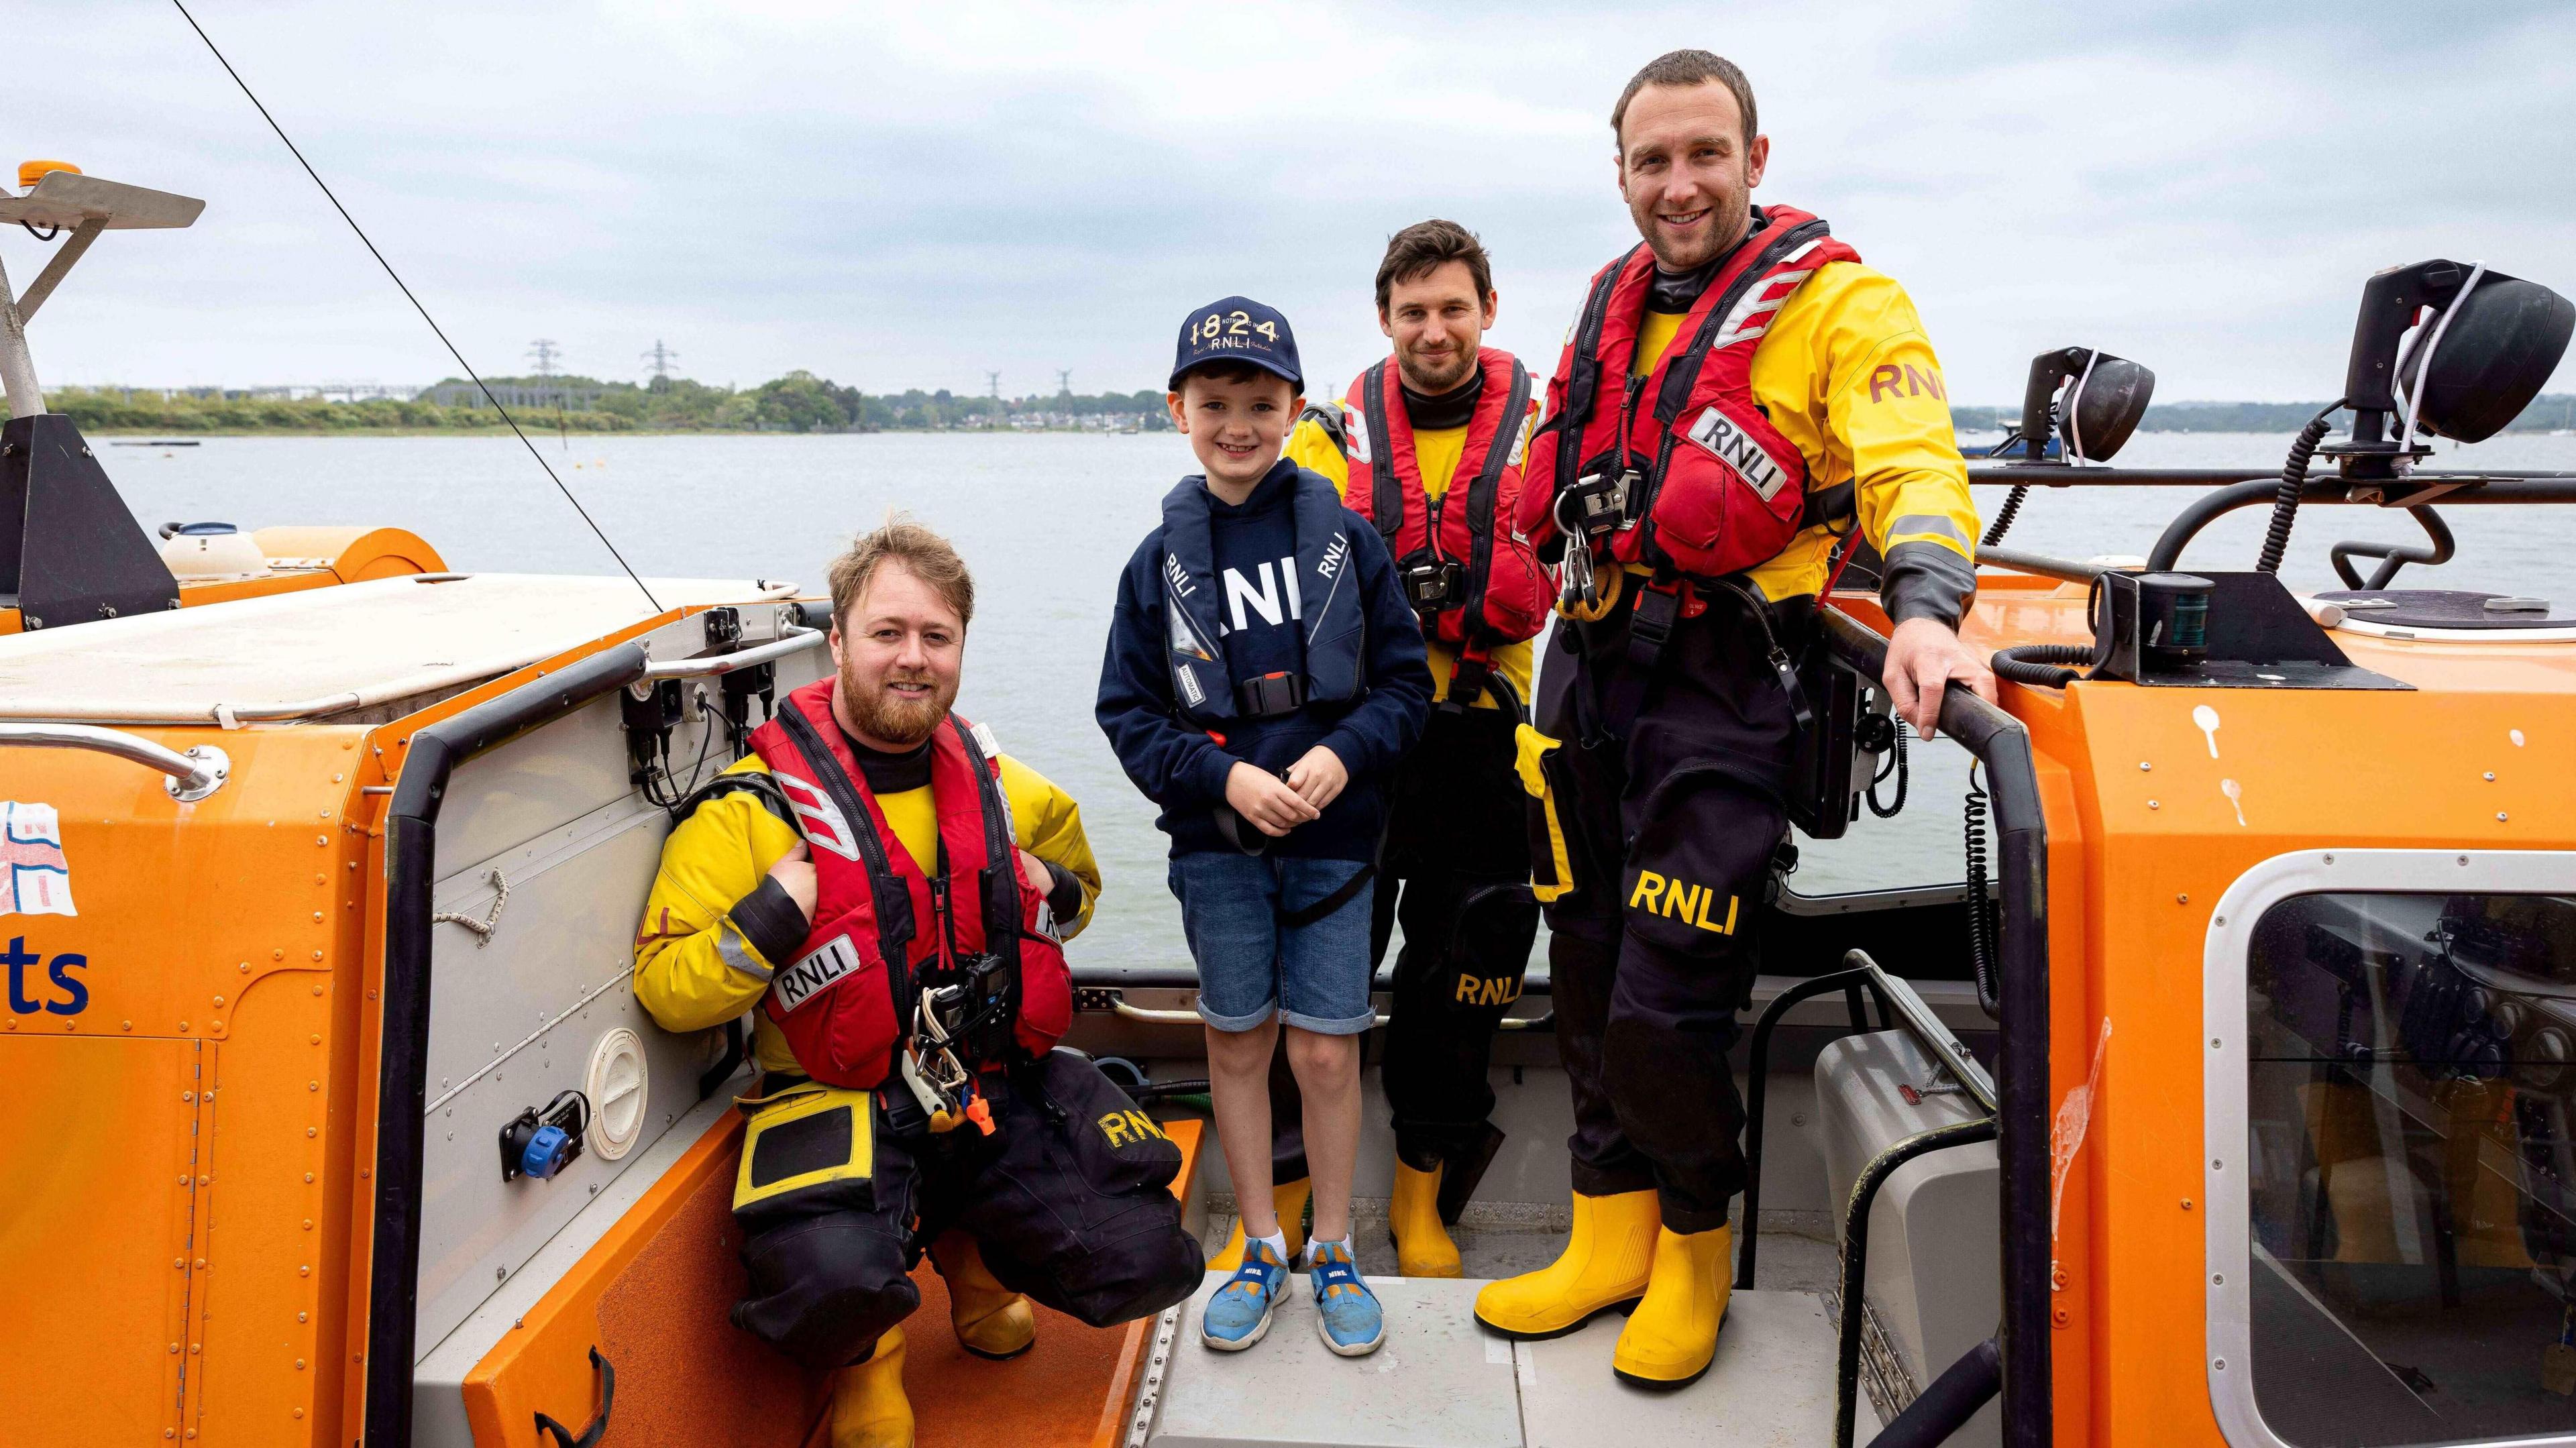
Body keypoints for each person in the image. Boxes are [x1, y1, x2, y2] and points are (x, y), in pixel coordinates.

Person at [1473, 50, 1994, 1390]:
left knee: (1667, 1001)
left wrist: (1929, 607)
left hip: (1728, 688)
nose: (1680, 182)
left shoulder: (1841, 306)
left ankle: (1695, 1247)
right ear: (1623, 176)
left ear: (1756, 161)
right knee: (1582, 975)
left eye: (1706, 154)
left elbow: (1918, 465)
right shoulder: (1610, 306)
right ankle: (1607, 1235)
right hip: (1586, 676)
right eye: (1654, 161)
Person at [633, 518, 1202, 1448]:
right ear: (839, 644)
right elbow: (665, 987)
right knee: (831, 1284)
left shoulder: (1004, 786)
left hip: (982, 1084)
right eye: (888, 633)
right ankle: (875, 1360)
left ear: (961, 650)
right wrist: (768, 919)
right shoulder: (747, 812)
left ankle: (971, 1265)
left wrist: (1045, 884)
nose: (913, 658)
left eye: (936, 637)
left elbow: (1081, 895)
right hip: (836, 1091)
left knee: (1143, 1257)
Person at [1095, 296, 1432, 1357]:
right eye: (1214, 403)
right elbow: (1129, 714)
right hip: (1218, 851)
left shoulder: (1352, 543)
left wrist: (1340, 755)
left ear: (1296, 408)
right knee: (1237, 1042)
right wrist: (1223, 780)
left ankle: (1334, 1244)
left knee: (1330, 1057)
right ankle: (1260, 1243)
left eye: (1259, 402)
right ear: (1178, 411)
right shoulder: (1155, 566)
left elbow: (1405, 690)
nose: (1237, 423)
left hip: (1337, 848)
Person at [1256, 219, 1548, 1279]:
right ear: (1384, 320)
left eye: (1454, 308)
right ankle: (1291, 1201)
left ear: (1488, 312)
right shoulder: (1326, 438)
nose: (1435, 329)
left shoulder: (1544, 430)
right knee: (1317, 978)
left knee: (1462, 978)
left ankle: (1421, 1204)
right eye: (1414, 311)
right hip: (1355, 751)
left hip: (1485, 744)